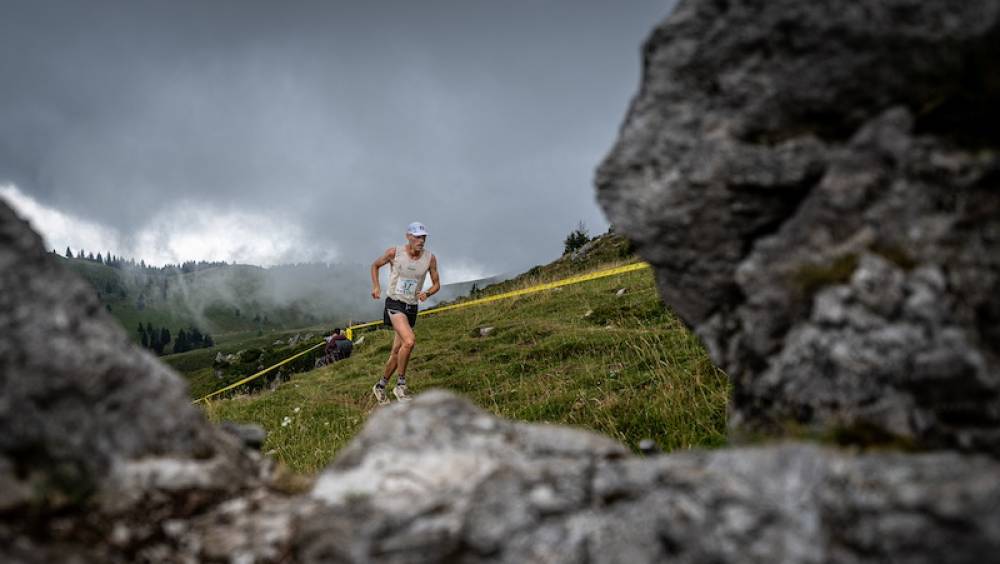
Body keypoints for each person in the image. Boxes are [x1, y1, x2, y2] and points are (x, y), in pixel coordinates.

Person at [370, 221, 440, 405]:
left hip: (411, 307)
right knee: (409, 341)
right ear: (408, 236)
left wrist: (427, 292)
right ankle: (400, 385)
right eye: (417, 236)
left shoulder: (430, 258)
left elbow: (436, 284)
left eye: (423, 237)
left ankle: (380, 386)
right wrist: (376, 286)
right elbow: (375, 265)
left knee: (396, 352)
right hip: (394, 303)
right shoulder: (395, 252)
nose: (421, 240)